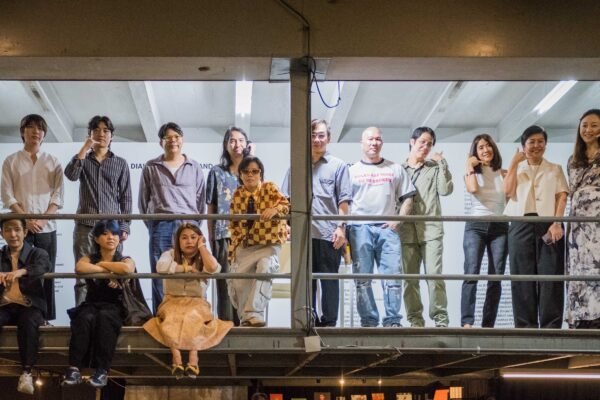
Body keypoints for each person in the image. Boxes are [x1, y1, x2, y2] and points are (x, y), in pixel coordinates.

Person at [282, 119, 352, 327]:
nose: (317, 139)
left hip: (329, 233)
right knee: (306, 282)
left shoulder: (338, 166)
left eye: (321, 135)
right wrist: (286, 225)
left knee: (329, 280)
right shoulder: (296, 166)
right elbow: (286, 199)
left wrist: (341, 227)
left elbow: (344, 201)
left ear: (328, 138)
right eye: (312, 135)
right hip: (302, 235)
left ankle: (329, 323)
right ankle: (308, 322)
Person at [143, 223, 233, 377]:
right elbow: (161, 267)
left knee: (193, 316)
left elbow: (214, 268)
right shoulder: (170, 254)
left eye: (193, 237)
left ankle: (193, 356)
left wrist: (202, 247)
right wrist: (187, 269)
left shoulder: (203, 257)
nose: (189, 241)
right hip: (172, 300)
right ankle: (176, 356)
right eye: (184, 238)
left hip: (197, 301)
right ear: (178, 241)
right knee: (173, 317)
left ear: (199, 239)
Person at [348, 127, 415, 327]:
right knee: (362, 279)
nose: (374, 143)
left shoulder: (394, 169)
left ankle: (393, 320)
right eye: (370, 139)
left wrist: (397, 220)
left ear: (382, 143)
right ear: (362, 143)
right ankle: (369, 320)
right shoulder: (351, 171)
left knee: (392, 277)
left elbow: (408, 197)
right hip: (360, 229)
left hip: (387, 229)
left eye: (377, 139)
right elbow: (343, 201)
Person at [504, 125, 568, 329]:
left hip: (548, 225)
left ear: (546, 144)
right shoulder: (516, 168)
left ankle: (551, 327)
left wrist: (557, 223)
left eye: (540, 141)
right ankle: (525, 328)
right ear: (524, 145)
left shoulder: (555, 168)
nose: (536, 145)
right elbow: (508, 192)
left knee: (551, 276)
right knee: (521, 277)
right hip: (520, 224)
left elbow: (561, 196)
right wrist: (514, 163)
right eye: (531, 142)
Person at [1, 114, 63, 321]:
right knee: (21, 271)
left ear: (44, 134)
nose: (35, 131)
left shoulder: (53, 161)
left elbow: (58, 196)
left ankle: (45, 318)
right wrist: (26, 220)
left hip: (48, 227)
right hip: (21, 228)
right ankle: (19, 312)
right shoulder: (11, 161)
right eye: (31, 127)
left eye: (40, 128)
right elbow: (7, 195)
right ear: (23, 132)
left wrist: (43, 220)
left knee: (47, 273)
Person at [64, 115, 132, 306]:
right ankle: (81, 313)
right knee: (82, 275)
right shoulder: (83, 159)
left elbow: (126, 197)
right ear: (90, 134)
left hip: (112, 228)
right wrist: (84, 149)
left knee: (114, 274)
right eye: (96, 130)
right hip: (85, 226)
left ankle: (115, 313)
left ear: (111, 136)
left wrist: (124, 226)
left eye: (106, 130)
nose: (101, 134)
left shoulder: (120, 163)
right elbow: (71, 175)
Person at [139, 122, 206, 313]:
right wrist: (154, 225)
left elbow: (200, 199)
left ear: (182, 140)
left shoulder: (194, 166)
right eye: (168, 137)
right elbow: (143, 201)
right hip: (161, 225)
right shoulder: (151, 166)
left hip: (188, 225)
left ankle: (195, 316)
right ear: (161, 142)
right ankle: (162, 317)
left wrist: (193, 226)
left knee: (193, 272)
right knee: (160, 273)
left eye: (176, 136)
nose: (173, 140)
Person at [62, 220, 135, 388]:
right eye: (105, 234)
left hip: (114, 305)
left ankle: (102, 370)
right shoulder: (90, 257)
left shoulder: (124, 258)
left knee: (105, 317)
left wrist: (101, 265)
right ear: (96, 239)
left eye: (114, 234)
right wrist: (108, 270)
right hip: (92, 303)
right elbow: (80, 267)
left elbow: (127, 269)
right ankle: (74, 368)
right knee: (83, 318)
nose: (111, 237)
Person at [399, 127, 453, 328]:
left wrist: (442, 163)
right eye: (422, 142)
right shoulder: (399, 170)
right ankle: (415, 321)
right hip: (406, 232)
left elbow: (445, 190)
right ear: (412, 142)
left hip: (431, 230)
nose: (426, 146)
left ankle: (441, 320)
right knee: (409, 280)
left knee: (434, 276)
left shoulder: (435, 167)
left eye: (430, 144)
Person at [229, 156, 289, 327]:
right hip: (246, 245)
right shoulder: (238, 194)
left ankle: (254, 313)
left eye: (254, 171)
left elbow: (286, 205)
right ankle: (246, 318)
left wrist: (275, 209)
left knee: (265, 266)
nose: (250, 175)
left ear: (260, 173)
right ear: (240, 174)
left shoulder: (270, 188)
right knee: (238, 282)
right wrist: (233, 249)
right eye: (246, 171)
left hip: (267, 244)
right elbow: (233, 224)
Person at [461, 134, 508, 328]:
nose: (485, 150)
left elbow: (510, 196)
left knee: (496, 276)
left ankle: (488, 324)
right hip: (476, 225)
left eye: (488, 146)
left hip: (500, 226)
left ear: (494, 148)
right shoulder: (470, 172)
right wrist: (469, 164)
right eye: (480, 147)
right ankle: (467, 322)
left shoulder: (503, 173)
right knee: (471, 272)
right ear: (475, 152)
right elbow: (473, 189)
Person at [0, 217, 50, 395]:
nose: (13, 234)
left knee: (28, 322)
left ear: (25, 232)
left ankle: (27, 372)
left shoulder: (37, 253)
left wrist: (21, 271)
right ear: (2, 233)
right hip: (5, 305)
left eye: (17, 229)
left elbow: (42, 266)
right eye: (7, 230)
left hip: (29, 305)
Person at [206, 127, 249, 325]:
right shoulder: (216, 172)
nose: (236, 144)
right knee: (225, 284)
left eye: (241, 140)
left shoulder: (252, 171)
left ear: (247, 144)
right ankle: (226, 326)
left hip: (248, 236)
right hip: (223, 234)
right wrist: (211, 237)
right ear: (226, 145)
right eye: (232, 140)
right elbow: (211, 207)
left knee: (246, 283)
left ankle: (246, 325)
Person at [566, 109, 600, 329]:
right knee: (578, 267)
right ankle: (580, 316)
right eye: (584, 125)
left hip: (597, 223)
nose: (588, 130)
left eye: (594, 125)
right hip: (578, 224)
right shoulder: (573, 160)